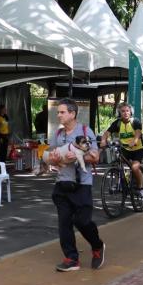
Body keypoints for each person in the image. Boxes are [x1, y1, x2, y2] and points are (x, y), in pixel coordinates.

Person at [47, 99, 105, 272]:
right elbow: (50, 156)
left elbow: (95, 157)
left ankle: (97, 246)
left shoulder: (85, 131)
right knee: (64, 223)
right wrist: (52, 159)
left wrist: (78, 157)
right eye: (58, 112)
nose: (59, 115)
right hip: (62, 183)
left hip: (82, 184)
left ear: (72, 114)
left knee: (82, 221)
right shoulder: (58, 134)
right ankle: (71, 258)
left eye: (62, 112)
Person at [101, 102, 143, 198]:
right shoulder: (117, 123)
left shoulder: (135, 121)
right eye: (123, 111)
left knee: (134, 167)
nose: (125, 113)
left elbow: (138, 133)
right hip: (125, 149)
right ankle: (119, 182)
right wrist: (103, 140)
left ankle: (141, 188)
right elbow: (107, 133)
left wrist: (135, 140)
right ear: (119, 113)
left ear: (131, 112)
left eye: (127, 111)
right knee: (117, 164)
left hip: (137, 149)